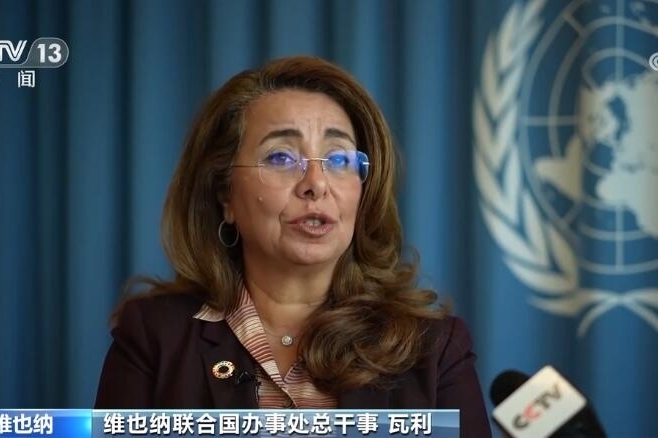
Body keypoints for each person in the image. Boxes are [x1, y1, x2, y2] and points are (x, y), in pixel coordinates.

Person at [94, 55, 491, 435]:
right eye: (281, 157)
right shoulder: (154, 338)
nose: (316, 184)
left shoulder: (434, 350)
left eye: (339, 160)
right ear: (225, 194)